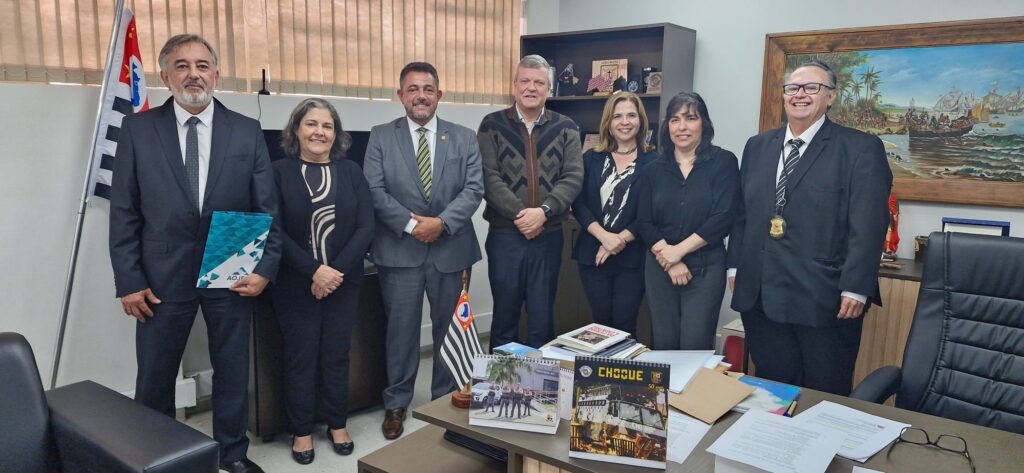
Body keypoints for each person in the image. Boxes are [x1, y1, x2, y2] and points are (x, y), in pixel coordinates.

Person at [108, 34, 280, 473]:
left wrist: (265, 267)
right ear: (165, 75)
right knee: (155, 375)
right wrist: (129, 280)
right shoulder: (138, 129)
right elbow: (124, 210)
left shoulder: (246, 129)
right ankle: (157, 458)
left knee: (232, 369)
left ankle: (232, 454)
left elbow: (267, 207)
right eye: (182, 65)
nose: (193, 74)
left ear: (216, 74)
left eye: (202, 65)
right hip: (159, 275)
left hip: (232, 262)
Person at [727, 60, 892, 395]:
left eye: (811, 87)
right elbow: (742, 214)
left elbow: (869, 223)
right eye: (792, 87)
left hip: (823, 298)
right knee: (772, 393)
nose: (799, 94)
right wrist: (735, 266)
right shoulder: (757, 146)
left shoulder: (860, 149)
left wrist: (856, 287)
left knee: (823, 395)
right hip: (761, 296)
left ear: (830, 97)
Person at [363, 62, 484, 440]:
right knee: (400, 332)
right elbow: (374, 189)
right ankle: (396, 403)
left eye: (428, 89)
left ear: (439, 95)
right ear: (400, 95)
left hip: (452, 249)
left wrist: (441, 223)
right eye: (413, 89)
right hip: (399, 251)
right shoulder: (381, 136)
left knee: (450, 331)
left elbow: (474, 189)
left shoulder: (464, 137)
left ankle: (443, 402)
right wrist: (413, 225)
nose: (420, 96)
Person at [271, 98, 373, 464]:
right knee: (300, 357)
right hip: (294, 283)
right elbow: (274, 230)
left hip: (343, 282)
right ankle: (301, 431)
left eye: (327, 126)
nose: (319, 132)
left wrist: (334, 273)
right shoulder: (278, 172)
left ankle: (337, 423)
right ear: (296, 130)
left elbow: (366, 226)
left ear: (336, 134)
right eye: (311, 124)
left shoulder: (351, 172)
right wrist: (314, 270)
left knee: (336, 355)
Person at [478, 55, 584, 349]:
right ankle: (501, 379)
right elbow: (488, 177)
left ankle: (540, 379)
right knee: (504, 318)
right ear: (514, 85)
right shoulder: (491, 125)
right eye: (525, 81)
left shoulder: (567, 127)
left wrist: (544, 212)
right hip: (505, 237)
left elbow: (573, 176)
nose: (531, 88)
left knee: (542, 320)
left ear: (549, 89)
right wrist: (522, 215)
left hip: (548, 238)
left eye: (539, 83)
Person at [634, 92, 739, 350]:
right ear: (667, 126)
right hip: (660, 268)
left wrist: (677, 252)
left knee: (695, 343)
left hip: (706, 269)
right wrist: (669, 260)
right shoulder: (652, 169)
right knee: (664, 343)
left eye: (690, 118)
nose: (682, 127)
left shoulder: (723, 162)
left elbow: (723, 217)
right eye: (675, 119)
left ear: (704, 123)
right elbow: (644, 221)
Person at [571, 92, 657, 335]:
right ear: (608, 122)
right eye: (618, 116)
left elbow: (652, 211)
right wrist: (604, 238)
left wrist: (617, 241)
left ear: (640, 120)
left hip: (632, 257)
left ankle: (624, 362)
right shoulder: (591, 158)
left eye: (631, 115)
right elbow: (578, 203)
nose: (625, 122)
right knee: (600, 325)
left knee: (624, 325)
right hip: (593, 255)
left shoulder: (655, 162)